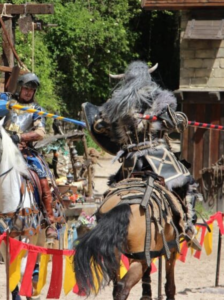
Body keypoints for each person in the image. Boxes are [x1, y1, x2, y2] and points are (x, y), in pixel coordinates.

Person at [84, 61, 201, 250]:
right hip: (157, 156)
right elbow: (174, 125)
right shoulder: (158, 99)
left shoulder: (116, 103)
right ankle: (188, 225)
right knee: (187, 182)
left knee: (112, 189)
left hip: (131, 161)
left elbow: (99, 126)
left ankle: (98, 222)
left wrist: (108, 121)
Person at [3, 72, 58, 239]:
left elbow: (40, 132)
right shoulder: (8, 102)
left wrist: (20, 137)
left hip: (24, 150)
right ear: (20, 88)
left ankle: (49, 220)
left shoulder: (37, 110)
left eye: (31, 90)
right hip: (3, 148)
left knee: (42, 177)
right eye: (26, 88)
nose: (28, 92)